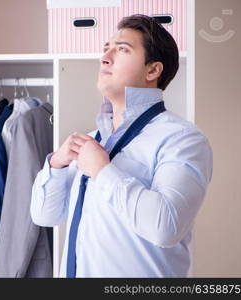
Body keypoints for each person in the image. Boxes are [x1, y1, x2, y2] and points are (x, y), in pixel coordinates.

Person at [30, 14, 213, 277]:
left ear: (153, 70)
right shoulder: (92, 141)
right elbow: (45, 216)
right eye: (106, 49)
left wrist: (103, 172)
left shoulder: (182, 140)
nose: (105, 57)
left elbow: (166, 226)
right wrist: (56, 164)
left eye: (122, 49)